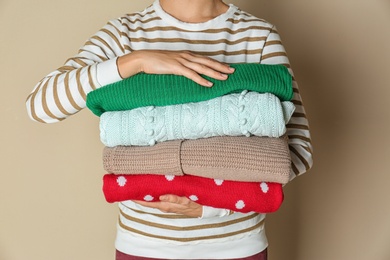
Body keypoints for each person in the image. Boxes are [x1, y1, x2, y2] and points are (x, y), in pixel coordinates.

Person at [26, 0, 313, 259]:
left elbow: (296, 152)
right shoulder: (125, 34)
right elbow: (40, 106)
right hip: (144, 246)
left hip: (237, 246)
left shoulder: (257, 35)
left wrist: (213, 203)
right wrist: (136, 61)